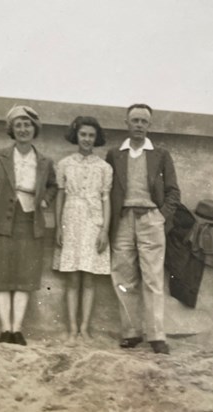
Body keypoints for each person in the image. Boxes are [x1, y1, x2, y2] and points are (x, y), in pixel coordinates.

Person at [0, 105, 57, 345]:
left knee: (23, 277)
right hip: (1, 222)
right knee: (0, 275)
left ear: (34, 128)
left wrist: (45, 201)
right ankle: (4, 329)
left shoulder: (44, 161)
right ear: (11, 129)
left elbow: (53, 185)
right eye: (18, 125)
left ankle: (17, 330)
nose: (23, 129)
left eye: (27, 124)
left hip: (30, 223)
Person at [106, 103, 180, 354]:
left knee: (153, 277)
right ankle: (131, 333)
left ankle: (157, 335)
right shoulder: (115, 154)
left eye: (143, 121)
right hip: (123, 220)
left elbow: (173, 192)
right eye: (134, 120)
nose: (138, 125)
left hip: (151, 219)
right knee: (124, 278)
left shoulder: (160, 154)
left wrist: (160, 216)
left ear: (149, 125)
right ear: (127, 123)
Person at [53, 116, 113, 344]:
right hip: (71, 221)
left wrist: (105, 229)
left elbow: (106, 199)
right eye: (83, 134)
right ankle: (71, 329)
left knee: (89, 279)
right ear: (76, 136)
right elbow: (60, 195)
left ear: (96, 138)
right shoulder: (65, 164)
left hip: (93, 222)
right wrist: (59, 226)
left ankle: (85, 329)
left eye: (91, 135)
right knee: (72, 280)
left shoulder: (104, 167)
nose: (87, 139)